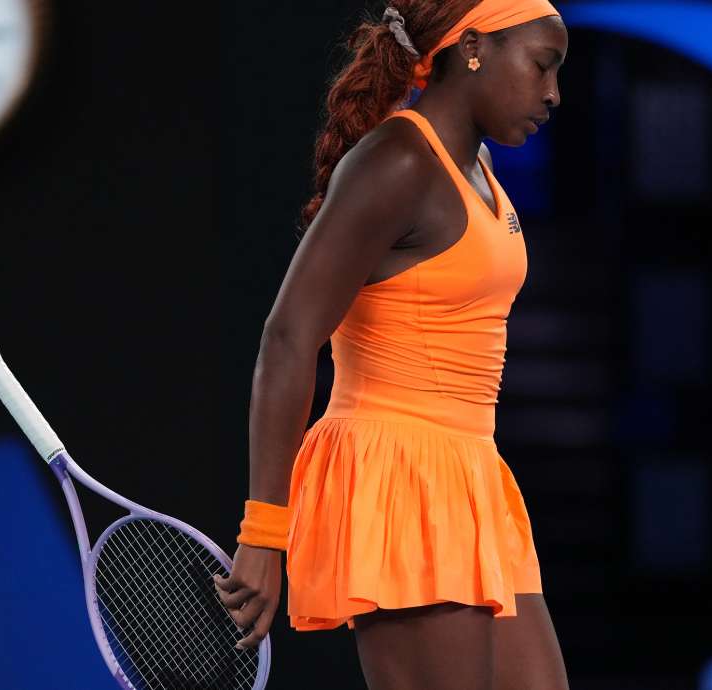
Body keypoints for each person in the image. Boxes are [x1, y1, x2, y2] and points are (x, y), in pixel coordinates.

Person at [212, 2, 571, 688]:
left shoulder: (481, 166)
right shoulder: (399, 160)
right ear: (472, 49)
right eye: (541, 66)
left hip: (472, 476)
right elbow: (288, 339)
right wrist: (263, 532)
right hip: (399, 478)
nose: (552, 93)